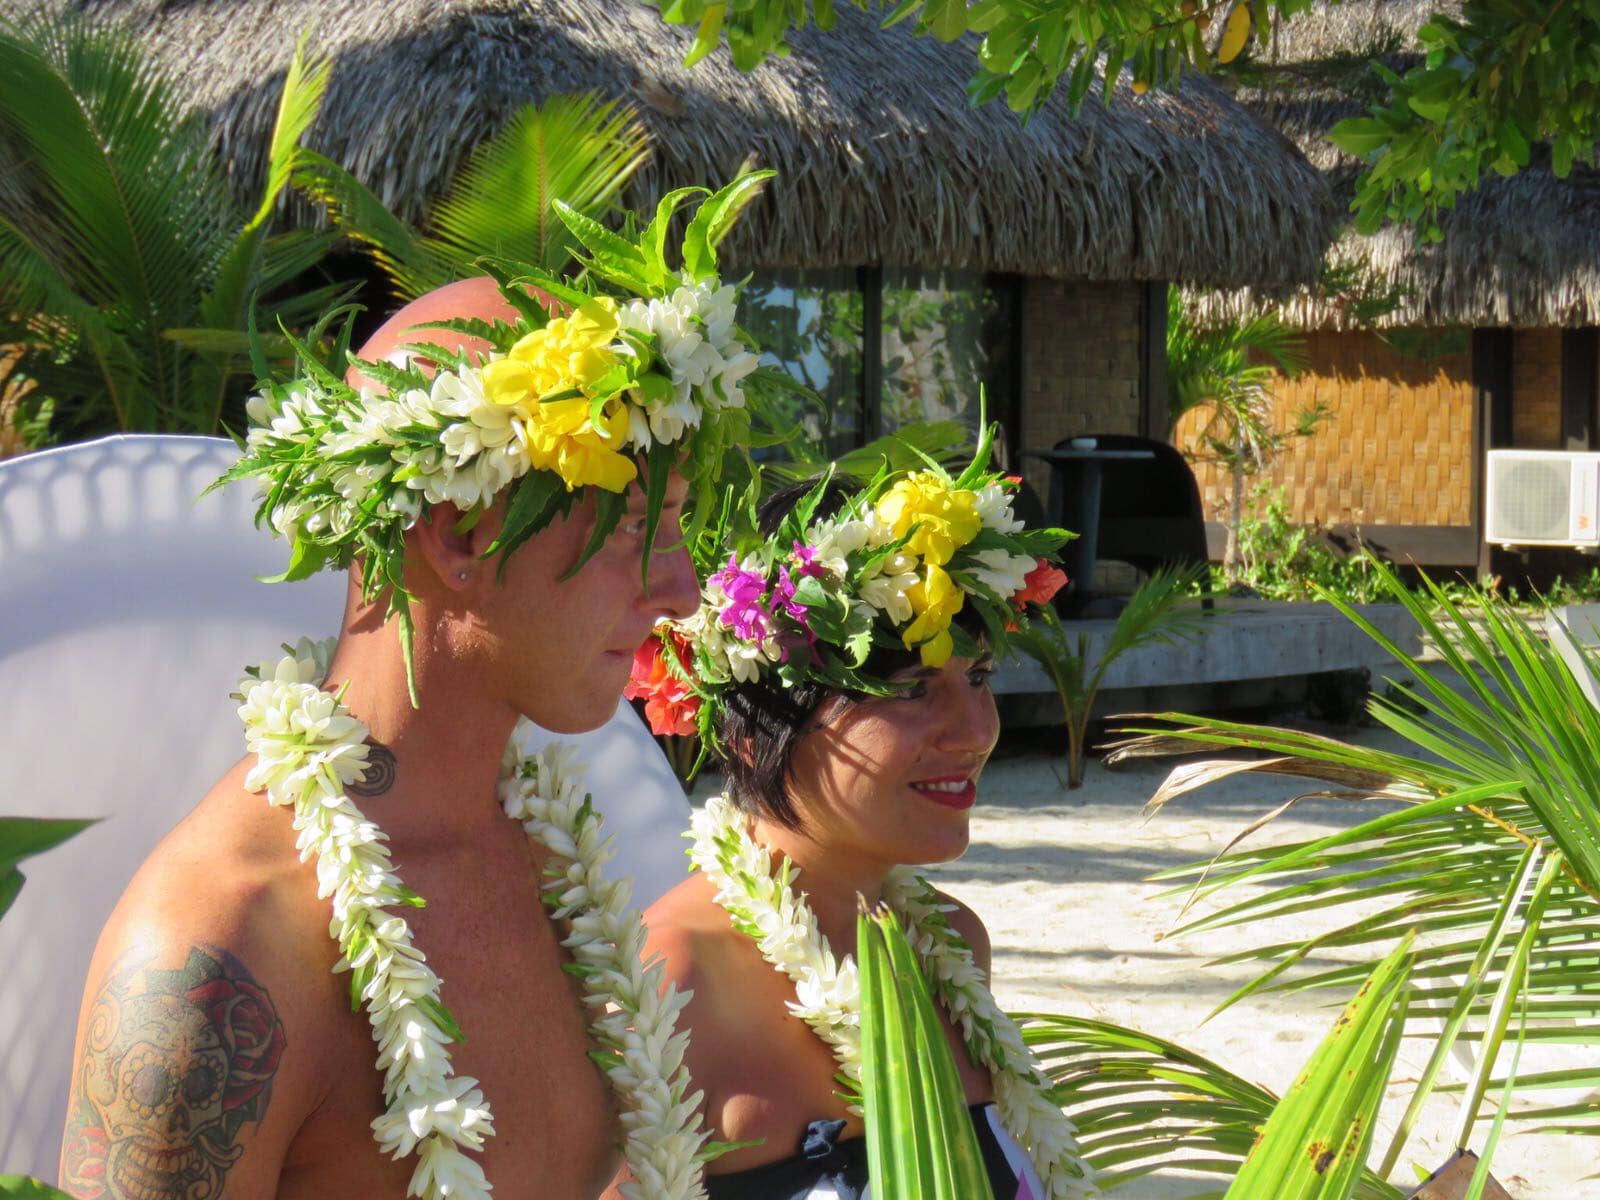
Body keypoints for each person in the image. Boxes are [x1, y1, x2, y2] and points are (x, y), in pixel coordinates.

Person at [57, 177, 779, 1200]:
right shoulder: (223, 950)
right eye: (629, 532)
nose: (680, 589)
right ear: (460, 535)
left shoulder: (555, 859)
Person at [614, 458, 1098, 1199]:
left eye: (978, 678)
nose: (975, 731)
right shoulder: (664, 983)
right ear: (756, 728)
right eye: (911, 690)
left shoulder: (951, 945)